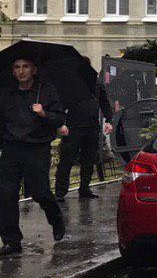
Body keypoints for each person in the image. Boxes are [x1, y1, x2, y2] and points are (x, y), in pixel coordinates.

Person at [0, 58, 66, 256]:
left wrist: (44, 113)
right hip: (12, 148)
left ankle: (56, 219)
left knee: (40, 192)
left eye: (25, 67)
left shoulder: (46, 91)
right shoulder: (6, 93)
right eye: (17, 67)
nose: (21, 71)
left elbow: (60, 118)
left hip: (36, 148)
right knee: (6, 194)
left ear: (34, 70)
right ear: (12, 71)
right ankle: (12, 241)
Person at [55, 81, 113, 201]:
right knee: (67, 159)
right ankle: (60, 192)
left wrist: (109, 120)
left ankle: (85, 188)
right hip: (73, 126)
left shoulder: (97, 83)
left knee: (89, 159)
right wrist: (61, 123)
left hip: (92, 126)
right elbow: (60, 104)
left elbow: (104, 102)